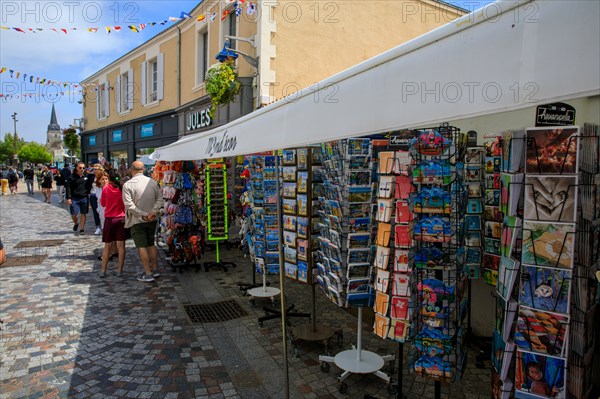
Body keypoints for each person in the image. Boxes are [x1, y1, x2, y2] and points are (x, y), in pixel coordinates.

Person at [123, 160, 163, 282]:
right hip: (151, 219)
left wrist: (144, 215)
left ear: (131, 170)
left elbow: (129, 205)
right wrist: (152, 213)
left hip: (137, 220)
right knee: (151, 244)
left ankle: (148, 272)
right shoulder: (153, 182)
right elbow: (160, 200)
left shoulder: (128, 185)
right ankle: (155, 268)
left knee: (141, 246)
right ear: (143, 169)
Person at [98, 169, 128, 278]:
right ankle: (119, 270)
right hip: (121, 219)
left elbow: (103, 203)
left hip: (109, 220)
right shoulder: (122, 188)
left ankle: (103, 270)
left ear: (109, 178)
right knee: (121, 246)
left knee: (107, 246)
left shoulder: (106, 189)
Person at [65, 162, 94, 235]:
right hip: (74, 197)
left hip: (84, 197)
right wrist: (68, 198)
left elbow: (92, 181)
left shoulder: (87, 176)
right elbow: (68, 188)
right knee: (74, 213)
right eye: (80, 168)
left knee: (83, 213)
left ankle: (82, 229)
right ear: (76, 168)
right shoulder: (71, 177)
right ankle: (76, 223)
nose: (82, 169)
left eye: (83, 168)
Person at [90, 164, 104, 235]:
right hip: (93, 195)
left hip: (101, 195)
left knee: (102, 211)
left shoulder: (104, 177)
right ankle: (98, 227)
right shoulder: (91, 177)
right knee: (95, 211)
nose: (94, 171)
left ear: (100, 170)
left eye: (96, 169)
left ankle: (104, 226)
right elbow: (88, 186)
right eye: (94, 169)